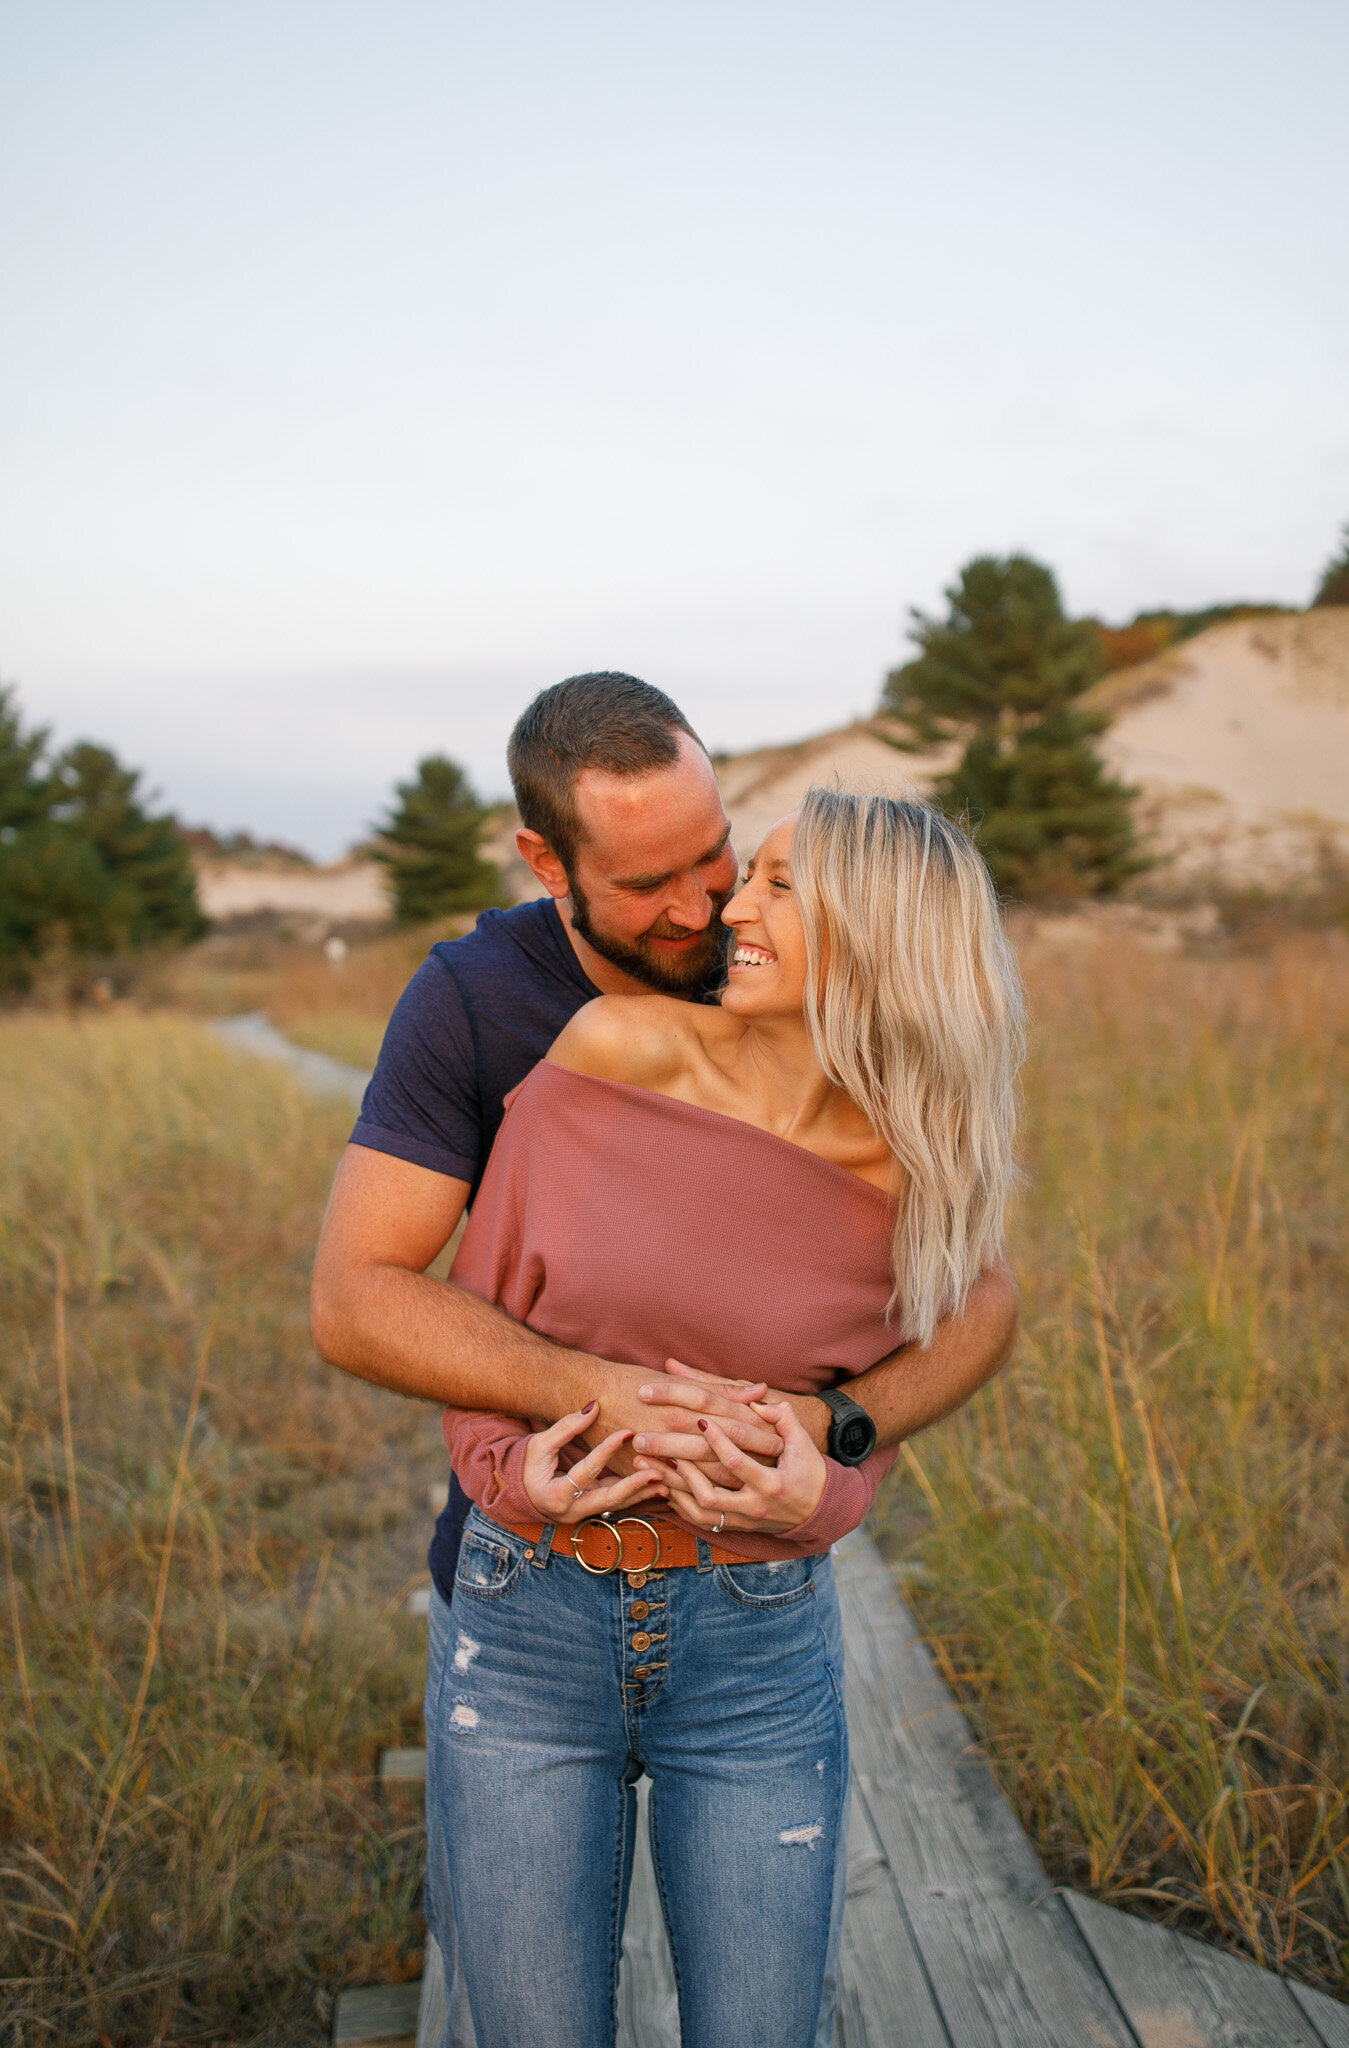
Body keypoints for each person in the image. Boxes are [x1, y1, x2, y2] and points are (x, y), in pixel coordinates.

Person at [309, 674, 1021, 2044]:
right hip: (527, 1608)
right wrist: (559, 1433)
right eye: (667, 883)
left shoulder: (916, 1141)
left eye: (736, 865)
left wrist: (839, 1452)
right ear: (547, 863)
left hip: (756, 1638)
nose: (712, 910)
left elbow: (977, 1308)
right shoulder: (541, 1022)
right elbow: (385, 1302)